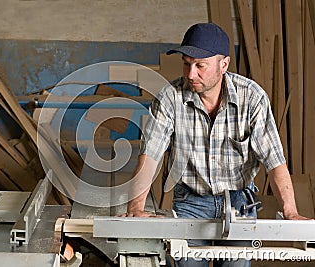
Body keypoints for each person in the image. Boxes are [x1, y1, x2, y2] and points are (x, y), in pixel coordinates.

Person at [123, 23, 310, 267]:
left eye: (200, 66)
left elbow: (274, 162)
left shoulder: (252, 98)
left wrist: (291, 212)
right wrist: (135, 208)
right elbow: (150, 156)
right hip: (190, 203)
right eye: (187, 63)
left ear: (224, 64)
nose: (191, 74)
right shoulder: (170, 98)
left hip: (240, 204)